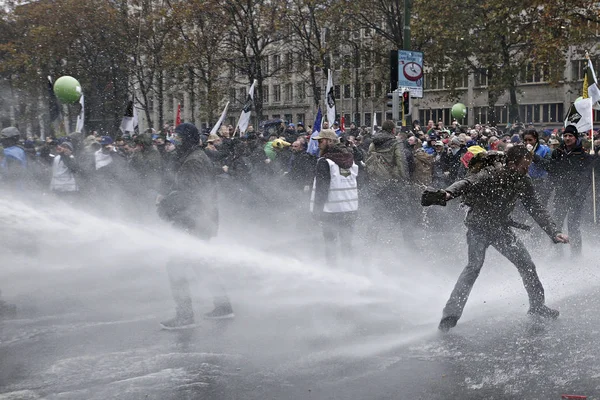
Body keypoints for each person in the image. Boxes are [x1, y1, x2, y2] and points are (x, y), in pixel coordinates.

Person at [423, 145, 569, 332]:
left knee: (527, 265)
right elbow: (467, 182)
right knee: (474, 266)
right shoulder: (491, 173)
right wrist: (447, 193)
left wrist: (553, 232)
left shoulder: (523, 180)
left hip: (500, 229)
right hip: (478, 227)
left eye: (528, 166)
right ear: (511, 164)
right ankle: (450, 315)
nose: (527, 170)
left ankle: (538, 307)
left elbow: (536, 207)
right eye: (524, 166)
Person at [157, 122, 234, 330]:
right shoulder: (193, 158)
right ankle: (223, 305)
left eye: (179, 138)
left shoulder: (193, 161)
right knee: (200, 264)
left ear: (188, 140)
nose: (175, 142)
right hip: (199, 220)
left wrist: (166, 205)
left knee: (175, 267)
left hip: (195, 221)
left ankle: (185, 316)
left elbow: (193, 195)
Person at [310, 129, 358, 266]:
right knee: (347, 242)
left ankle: (333, 270)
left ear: (330, 141)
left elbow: (322, 188)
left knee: (330, 242)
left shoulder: (325, 162)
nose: (318, 144)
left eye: (320, 141)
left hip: (331, 210)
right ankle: (350, 269)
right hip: (350, 209)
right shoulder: (350, 159)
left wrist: (316, 210)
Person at [547, 125, 594, 256]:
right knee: (556, 225)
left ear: (575, 137)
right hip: (561, 194)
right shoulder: (558, 152)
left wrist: (580, 194)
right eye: (565, 136)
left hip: (576, 196)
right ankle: (557, 253)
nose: (567, 138)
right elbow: (551, 169)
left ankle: (576, 255)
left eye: (570, 136)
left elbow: (586, 178)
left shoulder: (583, 155)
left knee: (573, 226)